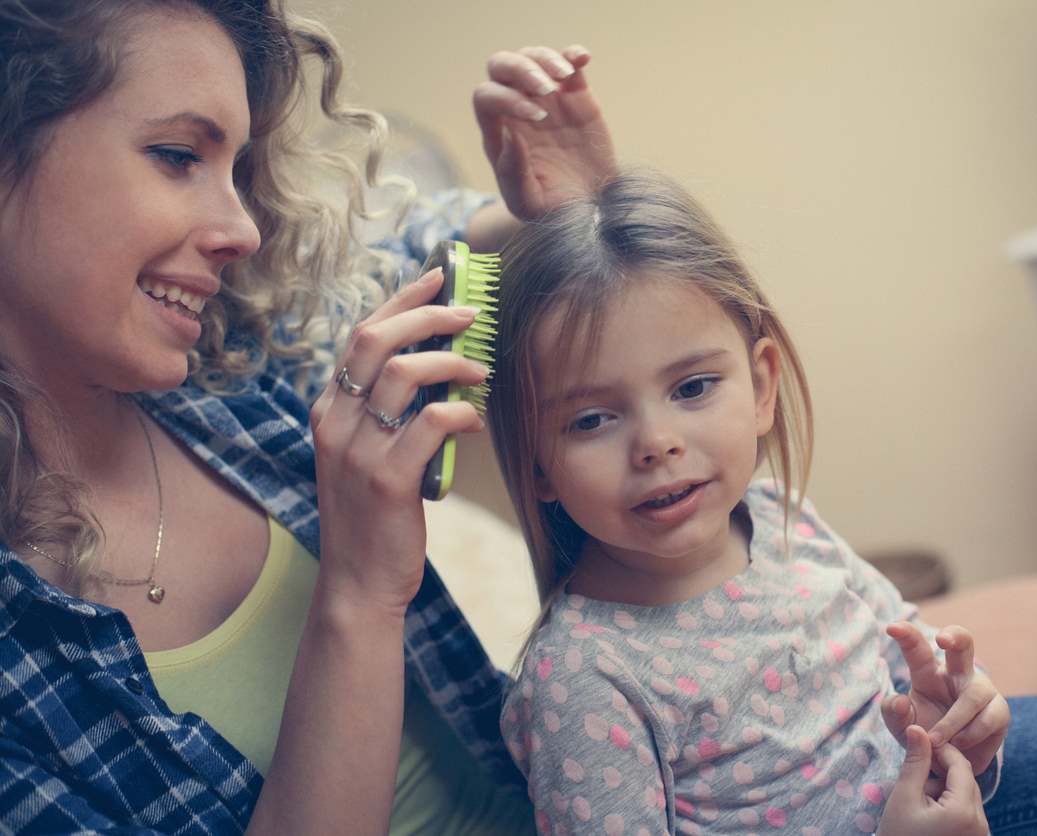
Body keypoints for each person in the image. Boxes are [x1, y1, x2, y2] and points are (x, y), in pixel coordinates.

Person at [0, 0, 612, 832]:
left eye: (237, 172)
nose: (241, 229)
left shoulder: (230, 366)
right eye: (179, 155)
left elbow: (414, 258)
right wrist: (359, 590)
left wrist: (558, 206)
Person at [487, 171, 1037, 834]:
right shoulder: (578, 680)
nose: (656, 444)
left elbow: (900, 643)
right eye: (591, 420)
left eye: (691, 388)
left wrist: (958, 718)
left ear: (759, 386)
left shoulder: (779, 516)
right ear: (535, 461)